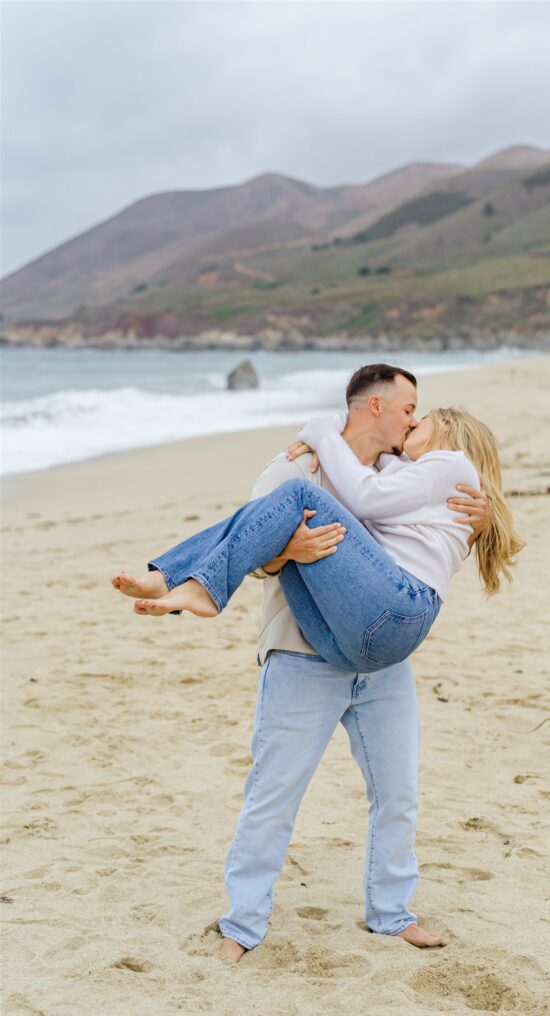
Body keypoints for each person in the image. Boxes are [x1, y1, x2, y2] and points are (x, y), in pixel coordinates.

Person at [113, 364, 495, 961]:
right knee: (274, 793)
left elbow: (430, 545)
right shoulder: (299, 464)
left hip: (377, 661)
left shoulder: (404, 472)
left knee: (398, 792)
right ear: (375, 407)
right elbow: (244, 541)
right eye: (408, 407)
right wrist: (284, 552)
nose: (415, 418)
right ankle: (242, 926)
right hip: (302, 651)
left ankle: (392, 913)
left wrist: (483, 517)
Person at [111, 403, 521, 672]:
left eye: (421, 419)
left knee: (300, 496)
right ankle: (180, 578)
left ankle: (191, 581)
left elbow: (363, 496)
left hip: (400, 606)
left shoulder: (450, 464)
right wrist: (331, 433)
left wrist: (324, 429)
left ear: (447, 431)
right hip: (362, 647)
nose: (412, 422)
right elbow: (368, 453)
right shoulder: (415, 475)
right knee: (295, 537)